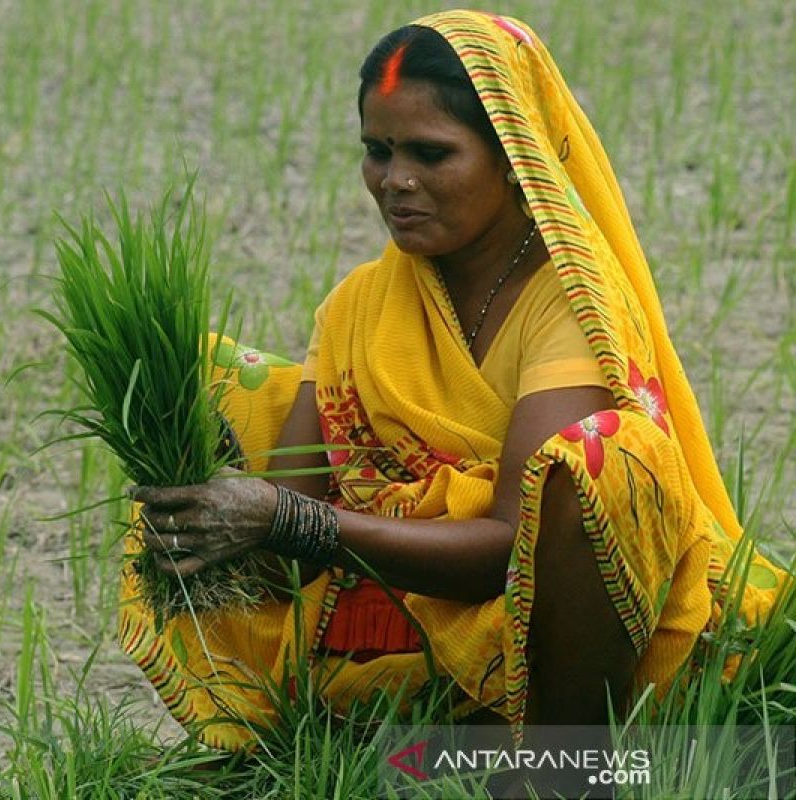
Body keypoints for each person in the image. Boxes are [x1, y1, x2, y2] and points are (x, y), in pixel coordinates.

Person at [117, 10, 787, 753]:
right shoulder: (360, 309)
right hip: (404, 622)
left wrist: (285, 520)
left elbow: (511, 547)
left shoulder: (569, 303)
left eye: (432, 154)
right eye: (378, 151)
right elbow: (283, 557)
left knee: (601, 460)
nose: (396, 181)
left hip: (564, 635)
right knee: (218, 384)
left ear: (511, 158)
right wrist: (194, 480)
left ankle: (569, 763)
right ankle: (426, 738)